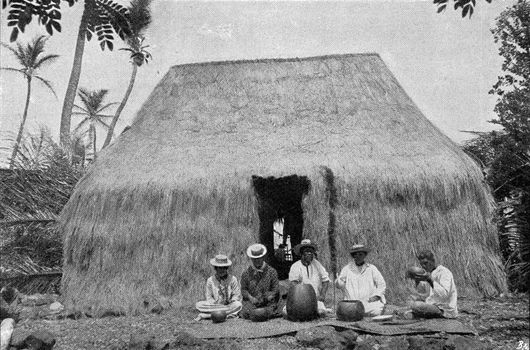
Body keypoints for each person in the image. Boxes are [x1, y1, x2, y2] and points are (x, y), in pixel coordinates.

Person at [335, 244, 386, 317]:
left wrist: (376, 296)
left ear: (364, 255)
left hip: (367, 302)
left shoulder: (371, 268)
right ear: (353, 256)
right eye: (355, 255)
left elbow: (381, 284)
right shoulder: (347, 269)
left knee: (376, 310)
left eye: (360, 254)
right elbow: (340, 285)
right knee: (347, 311)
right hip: (352, 303)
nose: (357, 257)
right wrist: (338, 282)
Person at [286, 239, 331, 316]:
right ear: (301, 253)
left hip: (316, 301)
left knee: (321, 312)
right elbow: (293, 285)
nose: (309, 253)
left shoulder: (317, 265)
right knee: (286, 312)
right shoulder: (295, 266)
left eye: (311, 251)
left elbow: (326, 280)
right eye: (306, 251)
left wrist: (322, 295)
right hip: (300, 301)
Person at [409, 250, 458, 318]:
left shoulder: (444, 272)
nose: (423, 266)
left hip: (445, 309)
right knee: (411, 302)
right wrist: (417, 281)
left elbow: (444, 295)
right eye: (421, 264)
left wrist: (430, 280)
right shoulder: (430, 273)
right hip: (433, 305)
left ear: (433, 261)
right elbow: (424, 293)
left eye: (425, 263)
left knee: (417, 306)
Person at [195, 254, 242, 320]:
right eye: (219, 268)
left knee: (238, 305)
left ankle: (206, 316)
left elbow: (236, 295)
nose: (221, 270)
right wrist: (215, 303)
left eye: (224, 268)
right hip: (215, 306)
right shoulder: (210, 280)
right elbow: (209, 297)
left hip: (229, 305)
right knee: (199, 305)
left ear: (226, 268)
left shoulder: (233, 279)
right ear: (216, 268)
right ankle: (228, 314)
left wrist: (232, 300)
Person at [240, 243, 280, 319]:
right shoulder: (246, 273)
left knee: (269, 310)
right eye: (254, 259)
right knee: (246, 311)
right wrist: (251, 298)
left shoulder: (272, 272)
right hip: (252, 303)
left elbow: (276, 289)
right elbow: (244, 290)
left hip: (267, 302)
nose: (257, 260)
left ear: (263, 257)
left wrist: (268, 296)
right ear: (251, 259)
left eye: (259, 258)